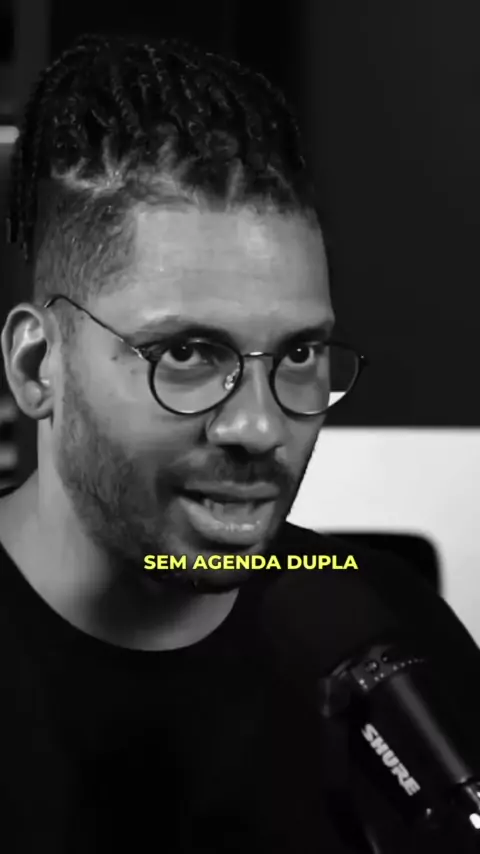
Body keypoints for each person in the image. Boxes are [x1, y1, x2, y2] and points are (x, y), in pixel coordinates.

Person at [0, 32, 478, 853]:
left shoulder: (386, 627)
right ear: (38, 367)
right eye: (188, 354)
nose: (260, 427)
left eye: (298, 354)